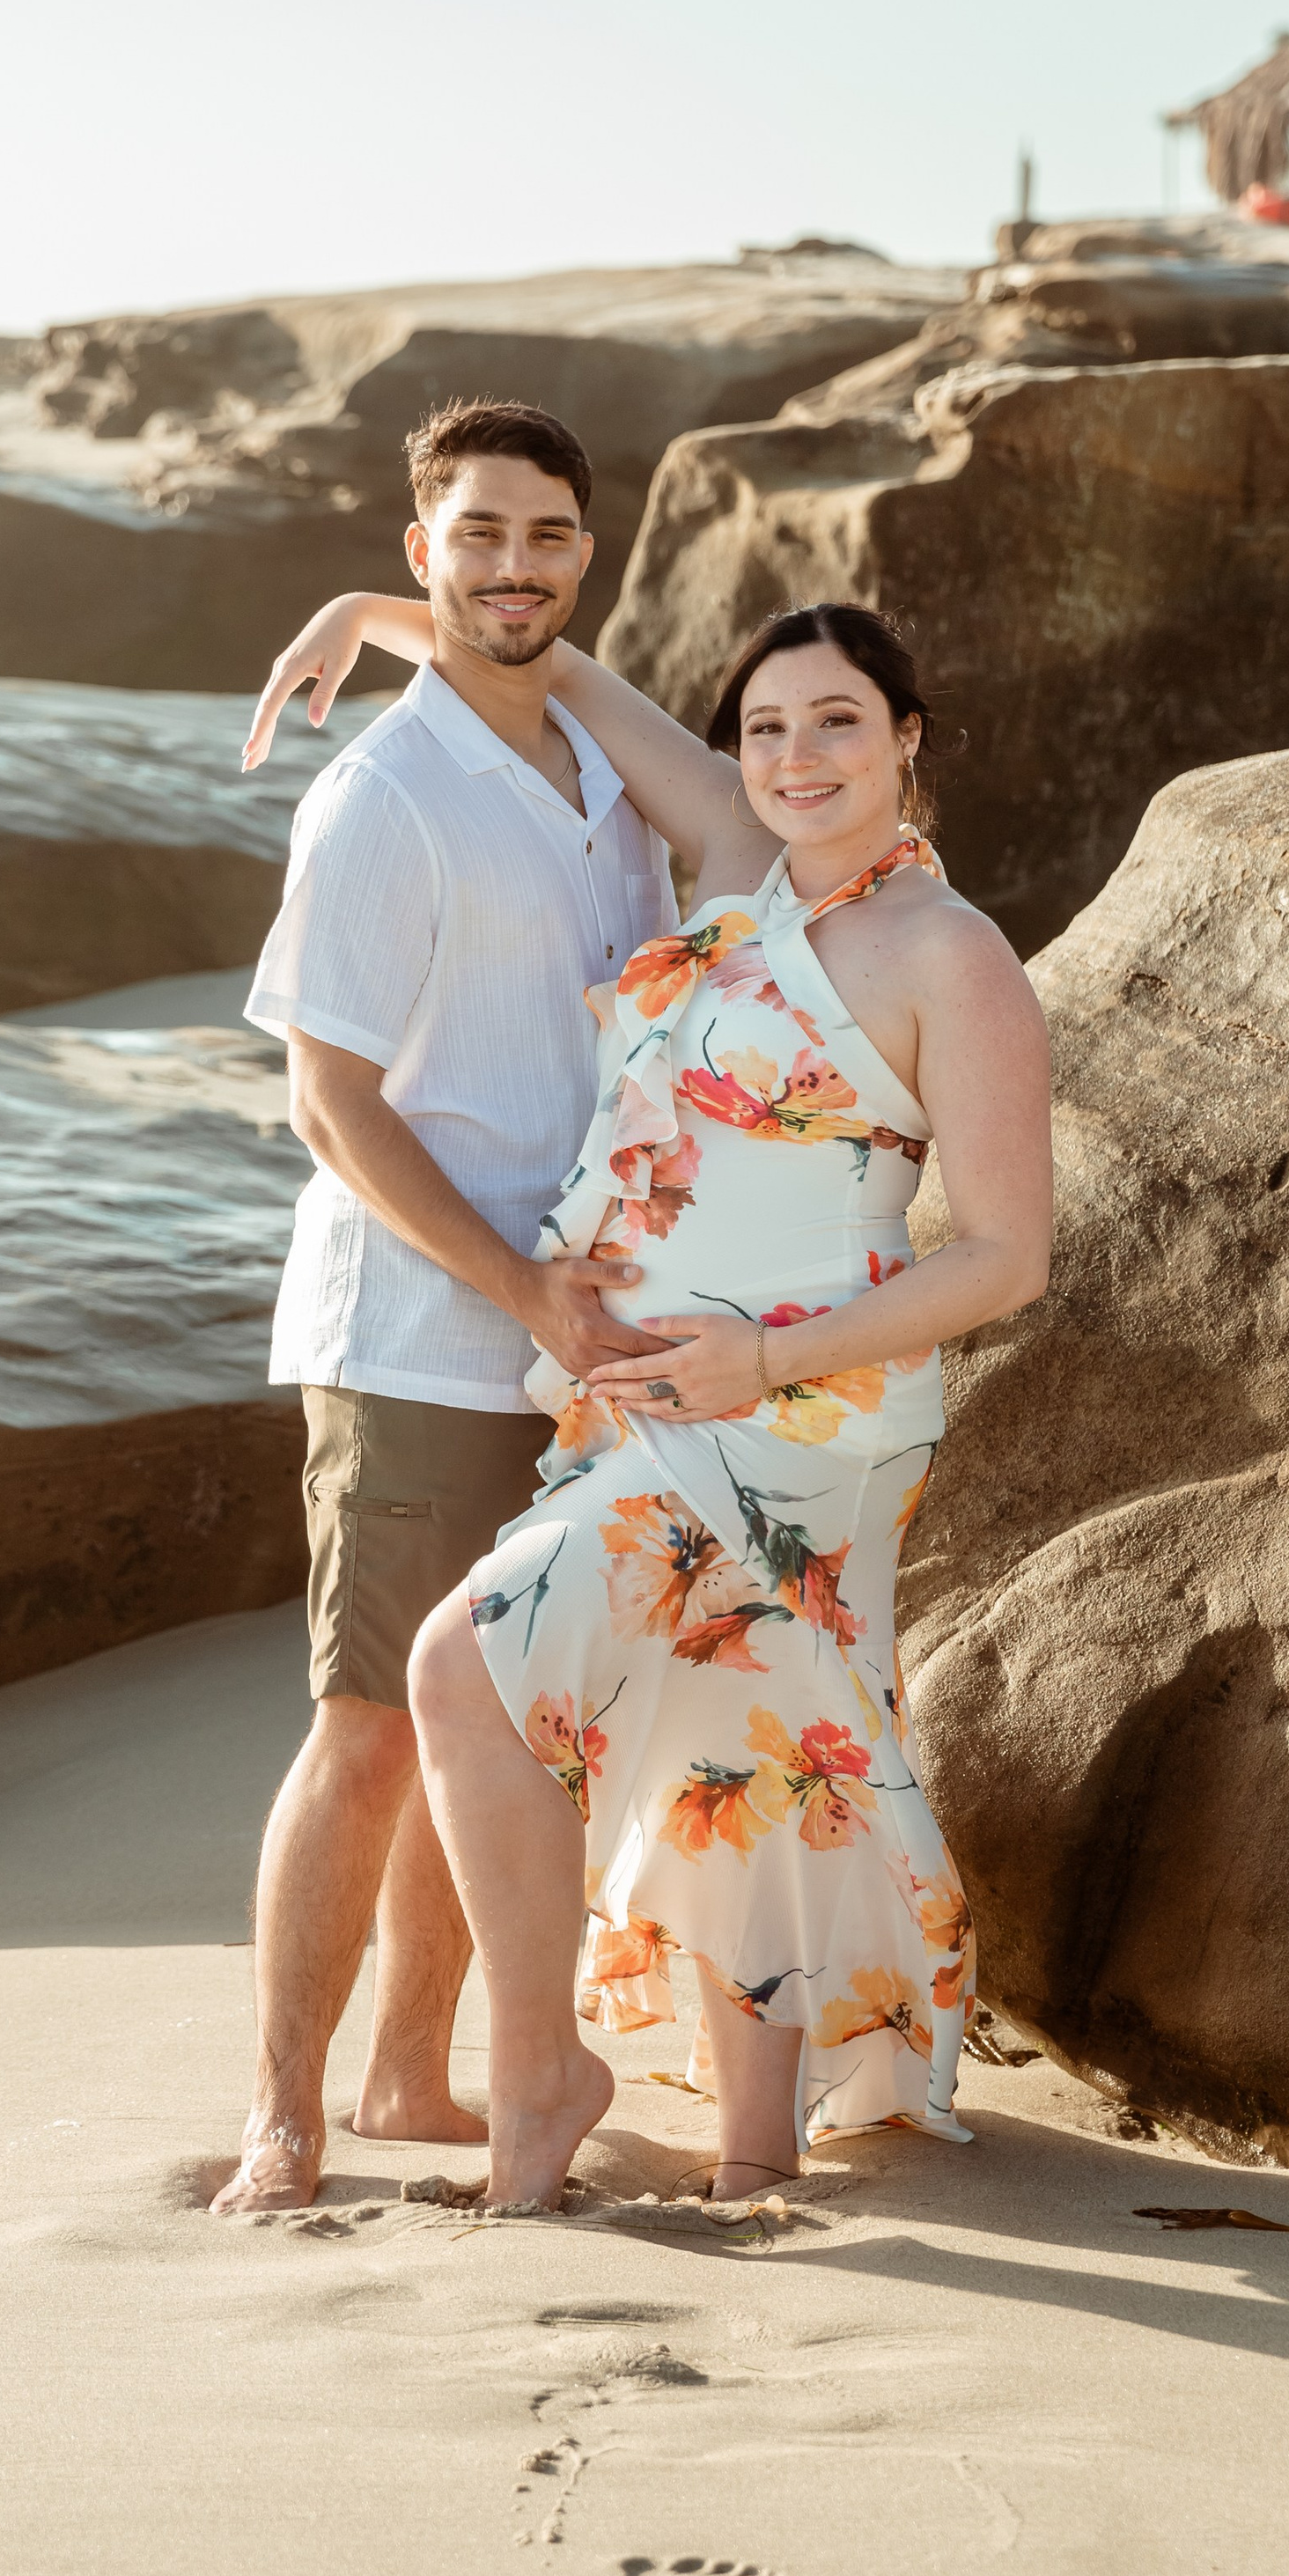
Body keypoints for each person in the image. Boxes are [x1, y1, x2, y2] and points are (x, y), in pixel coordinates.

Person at [250, 592, 1051, 2206]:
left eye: (837, 722)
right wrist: (390, 614)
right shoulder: (750, 886)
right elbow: (571, 676)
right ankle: (756, 2155)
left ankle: (543, 2072)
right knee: (736, 1738)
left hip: (807, 1416)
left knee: (458, 1669)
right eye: (763, 729)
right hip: (649, 1402)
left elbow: (1007, 1258)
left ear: (908, 738)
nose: (795, 755)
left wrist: (761, 1361)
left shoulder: (948, 954)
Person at [209, 397, 678, 2216]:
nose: (513, 565)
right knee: (367, 1729)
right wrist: (516, 1290)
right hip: (416, 1334)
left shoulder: (597, 764)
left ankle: (415, 2082)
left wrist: (576, 1305)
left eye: (546, 534)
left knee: (486, 1720)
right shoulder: (380, 796)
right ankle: (285, 2121)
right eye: (472, 535)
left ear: (585, 554)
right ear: (423, 552)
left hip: (577, 1343)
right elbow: (330, 1105)